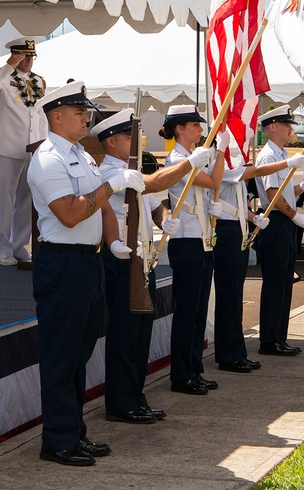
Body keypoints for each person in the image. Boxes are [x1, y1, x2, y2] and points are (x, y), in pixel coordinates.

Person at [26, 81, 144, 466]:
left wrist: (112, 244)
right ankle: (58, 440)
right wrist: (111, 185)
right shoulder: (48, 159)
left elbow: (104, 209)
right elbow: (72, 212)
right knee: (62, 355)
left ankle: (74, 432)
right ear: (56, 116)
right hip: (62, 264)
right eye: (79, 113)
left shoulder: (81, 154)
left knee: (79, 354)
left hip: (88, 262)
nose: (86, 118)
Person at [91, 109, 215, 424]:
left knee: (141, 334)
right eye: (128, 136)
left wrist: (164, 218)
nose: (135, 141)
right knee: (124, 333)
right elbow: (153, 182)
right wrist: (190, 162)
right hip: (121, 260)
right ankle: (120, 403)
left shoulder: (129, 168)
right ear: (111, 142)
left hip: (144, 260)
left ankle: (135, 397)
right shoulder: (108, 173)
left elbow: (153, 201)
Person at [210, 149, 304, 372]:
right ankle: (231, 354)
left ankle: (237, 352)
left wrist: (254, 218)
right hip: (226, 231)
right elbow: (259, 172)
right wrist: (287, 163)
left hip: (240, 229)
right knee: (230, 297)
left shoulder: (233, 167)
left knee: (236, 297)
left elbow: (240, 203)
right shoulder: (222, 166)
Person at [160, 104, 229, 395]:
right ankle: (180, 375)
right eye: (196, 126)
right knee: (187, 311)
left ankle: (193, 369)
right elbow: (214, 181)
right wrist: (221, 152)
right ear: (180, 129)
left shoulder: (192, 157)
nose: (201, 130)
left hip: (201, 239)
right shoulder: (177, 160)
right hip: (186, 241)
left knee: (199, 310)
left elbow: (209, 188)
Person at [254, 106, 304, 356]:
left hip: (285, 221)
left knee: (284, 283)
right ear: (273, 127)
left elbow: (285, 194)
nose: (291, 128)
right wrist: (296, 217)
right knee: (275, 284)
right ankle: (270, 340)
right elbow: (273, 196)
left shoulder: (281, 154)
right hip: (277, 222)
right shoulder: (269, 157)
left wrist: (302, 188)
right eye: (286, 124)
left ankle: (279, 337)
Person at [0, 37, 47, 266]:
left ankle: (19, 246)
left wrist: (44, 144)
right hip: (6, 147)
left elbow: (40, 116)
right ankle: (2, 251)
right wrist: (9, 64)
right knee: (3, 202)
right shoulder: (1, 76)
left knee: (26, 202)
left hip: (31, 149)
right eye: (24, 56)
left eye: (31, 56)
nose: (28, 61)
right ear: (14, 55)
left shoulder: (38, 81)